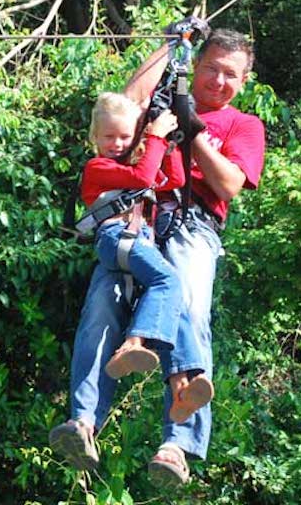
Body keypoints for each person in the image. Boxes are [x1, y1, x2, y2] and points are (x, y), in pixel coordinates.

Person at [51, 25, 265, 486]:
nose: (219, 81)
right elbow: (124, 99)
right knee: (101, 309)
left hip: (193, 224)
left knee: (187, 303)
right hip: (133, 220)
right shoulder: (158, 107)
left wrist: (196, 134)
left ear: (243, 81)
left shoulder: (243, 125)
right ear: (197, 65)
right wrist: (172, 46)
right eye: (210, 69)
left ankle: (177, 445)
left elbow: (229, 184)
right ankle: (83, 423)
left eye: (230, 75)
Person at [49, 92, 215, 470]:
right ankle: (133, 347)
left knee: (176, 304)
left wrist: (172, 139)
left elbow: (170, 178)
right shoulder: (98, 167)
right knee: (166, 284)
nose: (118, 145)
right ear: (96, 138)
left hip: (138, 244)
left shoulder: (134, 162)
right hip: (118, 240)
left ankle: (182, 388)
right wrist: (154, 136)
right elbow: (142, 177)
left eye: (125, 138)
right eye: (110, 138)